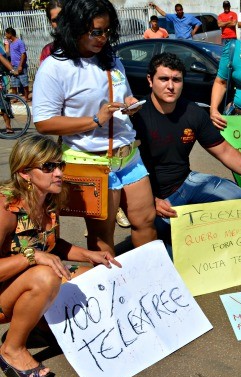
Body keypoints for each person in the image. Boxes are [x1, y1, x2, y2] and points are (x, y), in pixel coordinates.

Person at [33, 0, 157, 256]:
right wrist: (95, 120)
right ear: (75, 28)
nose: (104, 38)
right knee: (102, 235)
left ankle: (150, 282)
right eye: (96, 32)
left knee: (145, 221)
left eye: (108, 31)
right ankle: (111, 292)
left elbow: (123, 95)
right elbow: (44, 122)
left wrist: (129, 103)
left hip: (129, 156)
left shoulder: (110, 58)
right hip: (93, 160)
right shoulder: (55, 67)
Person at [131, 53, 241, 257]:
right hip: (153, 196)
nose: (170, 86)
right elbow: (125, 170)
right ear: (150, 80)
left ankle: (199, 234)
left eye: (176, 79)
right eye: (163, 79)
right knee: (169, 254)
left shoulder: (192, 112)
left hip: (185, 182)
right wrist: (152, 201)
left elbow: (225, 151)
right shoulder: (136, 117)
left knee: (236, 196)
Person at [0, 135, 120, 377]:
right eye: (48, 167)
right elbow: (37, 253)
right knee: (47, 275)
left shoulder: (49, 200)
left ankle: (41, 326)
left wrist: (89, 255)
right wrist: (31, 257)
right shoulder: (5, 209)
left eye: (59, 165)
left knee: (90, 275)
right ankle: (12, 350)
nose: (58, 173)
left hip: (17, 284)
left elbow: (51, 245)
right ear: (25, 173)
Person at [4, 28, 30, 102]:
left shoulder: (20, 42)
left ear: (10, 34)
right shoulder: (11, 43)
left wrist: (20, 65)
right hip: (13, 66)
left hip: (20, 66)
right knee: (14, 83)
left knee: (24, 83)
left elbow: (23, 54)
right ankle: (15, 97)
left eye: (6, 34)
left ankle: (26, 97)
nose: (6, 35)